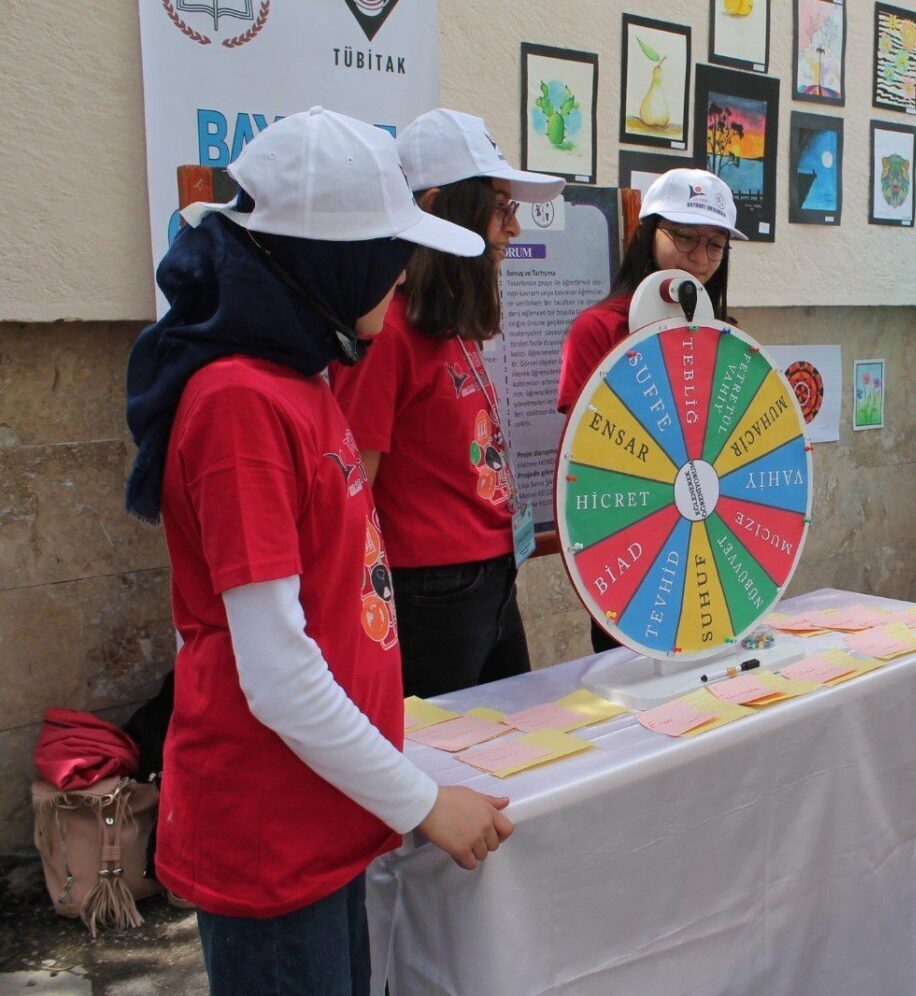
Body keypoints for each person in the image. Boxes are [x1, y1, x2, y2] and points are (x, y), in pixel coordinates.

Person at [124, 107, 513, 995]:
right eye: (389, 250)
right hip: (274, 843)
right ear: (332, 259)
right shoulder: (239, 406)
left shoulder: (302, 379)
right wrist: (424, 802)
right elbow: (277, 672)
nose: (406, 270)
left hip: (328, 819)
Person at [331, 109, 563, 699]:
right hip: (429, 593)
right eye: (500, 207)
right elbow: (353, 491)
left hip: (493, 577)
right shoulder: (387, 329)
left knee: (519, 750)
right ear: (437, 207)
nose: (513, 229)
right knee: (448, 762)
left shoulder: (449, 315)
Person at [557, 167, 744, 652]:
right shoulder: (597, 330)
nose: (700, 258)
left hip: (707, 540)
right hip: (631, 545)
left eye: (716, 244)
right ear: (647, 232)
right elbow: (588, 458)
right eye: (684, 237)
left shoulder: (724, 335)